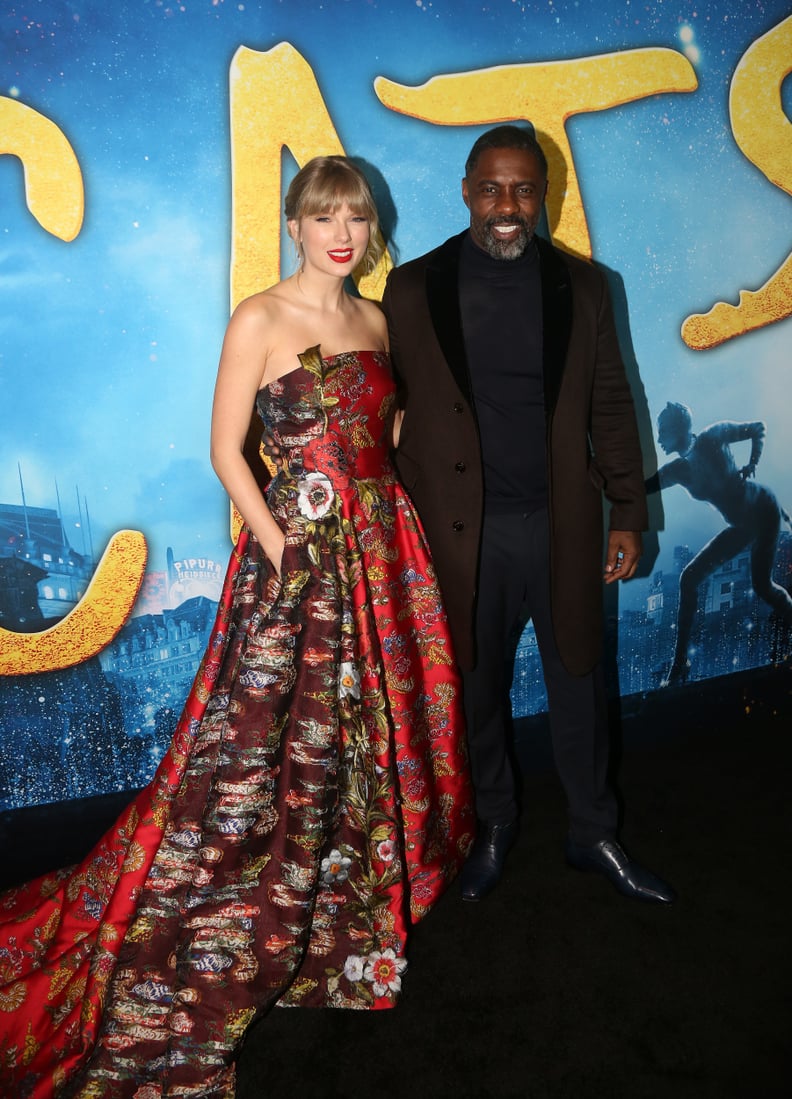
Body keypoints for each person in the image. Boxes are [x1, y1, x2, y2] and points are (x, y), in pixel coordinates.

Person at [0, 156, 472, 1098]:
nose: (343, 232)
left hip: (381, 559)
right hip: (293, 564)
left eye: (359, 216)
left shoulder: (377, 321)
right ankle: (249, 906)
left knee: (364, 738)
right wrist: (281, 543)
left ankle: (346, 912)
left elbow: (385, 432)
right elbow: (226, 448)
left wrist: (390, 525)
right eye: (325, 214)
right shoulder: (258, 316)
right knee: (261, 747)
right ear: (295, 224)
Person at [382, 124, 674, 904]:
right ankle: (493, 825)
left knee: (579, 681)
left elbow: (614, 399)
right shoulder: (412, 289)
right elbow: (388, 402)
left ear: (545, 194)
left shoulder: (583, 285)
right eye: (491, 188)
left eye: (523, 189)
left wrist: (627, 511)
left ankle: (593, 833)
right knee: (474, 692)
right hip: (457, 537)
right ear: (466, 190)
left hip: (562, 525)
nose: (506, 206)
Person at [646, 400, 792, 684]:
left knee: (763, 587)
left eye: (663, 430)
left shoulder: (714, 436)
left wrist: (752, 462)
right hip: (741, 526)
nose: (660, 438)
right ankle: (679, 667)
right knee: (688, 579)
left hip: (763, 510)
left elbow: (757, 429)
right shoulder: (677, 470)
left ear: (678, 428)